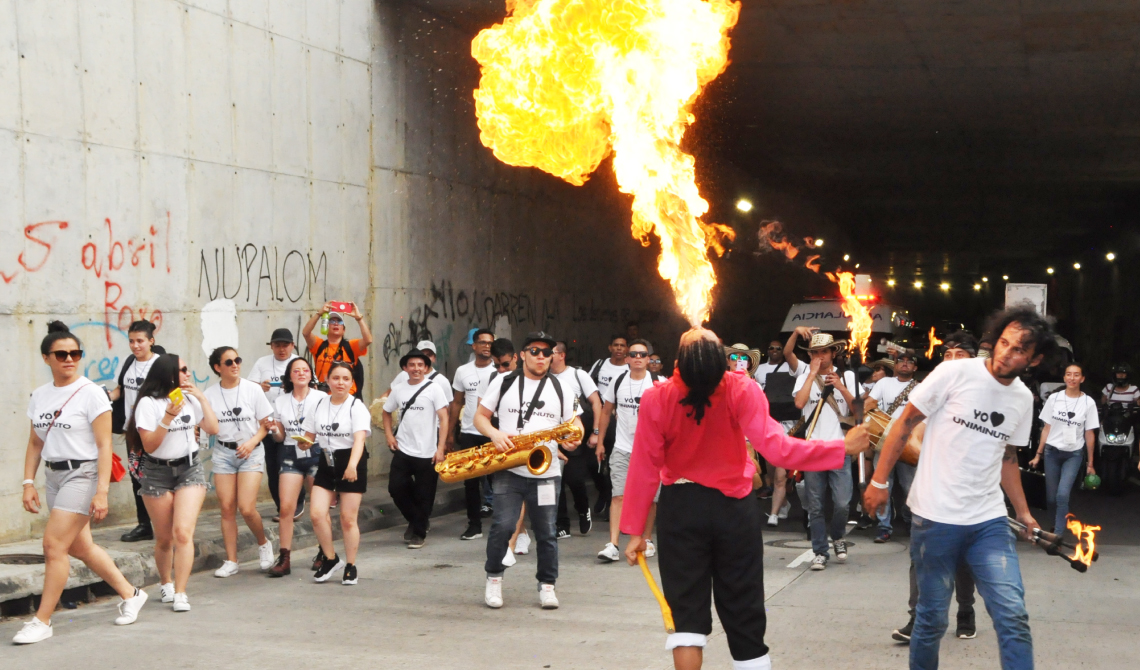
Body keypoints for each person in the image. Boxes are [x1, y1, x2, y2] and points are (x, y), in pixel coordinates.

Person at [620, 328, 868, 670]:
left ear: (679, 360)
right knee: (744, 612)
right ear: (719, 358)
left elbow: (643, 468)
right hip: (733, 511)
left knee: (686, 619)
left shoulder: (657, 396)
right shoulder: (742, 388)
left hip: (681, 509)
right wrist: (842, 447)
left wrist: (636, 532)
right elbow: (777, 448)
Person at [865, 305, 1054, 670]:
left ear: (1034, 359)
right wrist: (878, 481)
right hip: (934, 520)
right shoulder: (953, 372)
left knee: (1013, 616)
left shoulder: (1021, 399)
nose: (1006, 353)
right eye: (1004, 342)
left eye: (1019, 350)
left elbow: (1008, 458)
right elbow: (903, 425)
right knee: (932, 620)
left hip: (989, 522)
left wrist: (1024, 512)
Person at [14, 322, 151, 644]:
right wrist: (27, 482)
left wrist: (102, 492)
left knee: (53, 545)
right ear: (47, 358)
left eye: (75, 353)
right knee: (80, 546)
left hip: (84, 474)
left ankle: (42, 620)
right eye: (61, 354)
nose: (69, 359)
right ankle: (131, 594)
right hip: (54, 474)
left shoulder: (91, 394)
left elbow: (105, 447)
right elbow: (35, 444)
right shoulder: (41, 396)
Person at [475, 332, 581, 610]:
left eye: (547, 352)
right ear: (522, 355)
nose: (541, 356)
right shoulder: (504, 381)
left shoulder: (562, 388)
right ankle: (494, 579)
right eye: (535, 351)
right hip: (510, 469)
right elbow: (480, 417)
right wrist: (495, 435)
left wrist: (574, 438)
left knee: (546, 531)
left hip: (546, 472)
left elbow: (575, 424)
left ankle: (547, 586)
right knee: (503, 527)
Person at [890, 332, 980, 643]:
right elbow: (908, 431)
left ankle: (965, 609)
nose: (952, 361)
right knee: (921, 556)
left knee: (962, 560)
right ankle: (917, 617)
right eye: (948, 355)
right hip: (929, 491)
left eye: (960, 355)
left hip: (968, 494)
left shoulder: (987, 396)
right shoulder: (929, 391)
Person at [129, 352, 220, 613]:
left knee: (183, 533)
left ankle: (181, 592)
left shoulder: (190, 398)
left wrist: (201, 397)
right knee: (164, 538)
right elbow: (149, 444)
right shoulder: (148, 403)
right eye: (182, 370)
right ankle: (165, 582)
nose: (188, 374)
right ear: (168, 373)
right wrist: (168, 416)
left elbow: (213, 429)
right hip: (157, 472)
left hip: (189, 468)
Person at [203, 347, 276, 578]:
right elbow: (206, 425)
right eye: (229, 362)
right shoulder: (210, 394)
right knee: (226, 508)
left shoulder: (252, 389)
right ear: (217, 368)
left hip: (251, 451)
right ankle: (231, 560)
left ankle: (264, 543)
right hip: (224, 453)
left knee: (246, 507)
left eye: (238, 360)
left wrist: (252, 442)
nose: (235, 365)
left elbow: (267, 423)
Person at [792, 332, 859, 571]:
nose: (819, 356)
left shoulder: (848, 376)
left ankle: (838, 536)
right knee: (816, 505)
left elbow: (857, 411)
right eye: (815, 352)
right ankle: (820, 551)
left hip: (840, 448)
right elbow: (799, 404)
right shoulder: (803, 377)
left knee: (842, 503)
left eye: (824, 352)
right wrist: (811, 373)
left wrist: (840, 386)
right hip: (813, 449)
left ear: (833, 353)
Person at [303, 361, 372, 585]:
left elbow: (360, 439)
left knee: (347, 519)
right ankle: (331, 558)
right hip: (326, 460)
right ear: (328, 380)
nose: (340, 383)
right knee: (316, 514)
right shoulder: (320, 404)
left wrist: (352, 465)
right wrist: (305, 443)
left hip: (350, 460)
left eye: (345, 379)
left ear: (352, 383)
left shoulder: (356, 406)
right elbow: (310, 434)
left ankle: (351, 565)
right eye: (336, 378)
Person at [596, 338, 662, 562]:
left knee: (651, 498)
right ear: (626, 359)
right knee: (618, 496)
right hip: (622, 447)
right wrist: (600, 441)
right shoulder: (618, 381)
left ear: (648, 359)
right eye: (633, 355)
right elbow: (606, 412)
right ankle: (613, 544)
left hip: (649, 451)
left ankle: (647, 539)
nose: (638, 358)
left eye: (642, 355)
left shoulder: (658, 383)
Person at [265, 358, 327, 577]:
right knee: (286, 508)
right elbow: (281, 436)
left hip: (316, 452)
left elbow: (326, 428)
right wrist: (273, 429)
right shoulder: (281, 401)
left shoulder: (322, 398)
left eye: (305, 370)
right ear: (289, 376)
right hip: (291, 454)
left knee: (319, 509)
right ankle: (285, 558)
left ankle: (324, 553)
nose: (301, 373)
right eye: (296, 370)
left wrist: (311, 439)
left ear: (310, 375)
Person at [383, 350, 450, 548]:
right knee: (395, 488)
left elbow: (444, 418)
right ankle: (416, 520)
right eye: (412, 365)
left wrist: (440, 448)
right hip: (403, 448)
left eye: (420, 365)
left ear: (426, 368)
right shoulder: (399, 389)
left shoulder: (434, 389)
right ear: (405, 368)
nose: (416, 369)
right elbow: (386, 411)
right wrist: (389, 435)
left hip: (428, 451)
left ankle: (418, 533)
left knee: (424, 494)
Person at [109, 319, 162, 543]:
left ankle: (165, 524)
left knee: (161, 477)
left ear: (151, 341)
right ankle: (144, 525)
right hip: (133, 432)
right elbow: (119, 389)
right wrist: (102, 399)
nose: (135, 346)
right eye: (131, 341)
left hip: (157, 431)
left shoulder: (162, 364)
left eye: (140, 341)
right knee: (137, 477)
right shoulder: (128, 361)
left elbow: (175, 394)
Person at [1030, 363, 1098, 534]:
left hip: (1073, 454)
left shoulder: (1088, 402)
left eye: (1076, 375)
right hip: (1052, 452)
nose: (1072, 378)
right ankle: (1056, 523)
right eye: (1069, 374)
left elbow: (1089, 433)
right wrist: (1038, 454)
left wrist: (1090, 463)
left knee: (1062, 495)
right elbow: (1046, 428)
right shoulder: (1054, 398)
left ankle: (1058, 534)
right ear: (1064, 377)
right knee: (1051, 498)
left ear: (1082, 379)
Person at [755, 332, 811, 526]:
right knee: (772, 472)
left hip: (796, 426)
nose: (775, 351)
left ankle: (777, 514)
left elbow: (789, 354)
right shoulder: (760, 369)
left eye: (778, 348)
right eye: (771, 348)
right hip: (772, 422)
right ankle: (784, 504)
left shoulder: (799, 369)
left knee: (792, 475)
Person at [865, 349, 920, 543]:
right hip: (885, 442)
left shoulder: (921, 388)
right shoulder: (884, 383)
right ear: (895, 365)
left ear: (915, 366)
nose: (905, 364)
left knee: (910, 487)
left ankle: (911, 520)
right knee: (882, 484)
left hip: (909, 444)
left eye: (909, 361)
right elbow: (869, 404)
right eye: (901, 361)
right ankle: (884, 527)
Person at [247, 328, 301, 522]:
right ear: (271, 346)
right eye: (277, 345)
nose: (281, 349)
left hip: (293, 420)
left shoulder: (297, 362)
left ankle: (296, 503)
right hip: (268, 421)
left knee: (294, 463)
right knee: (272, 465)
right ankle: (282, 507)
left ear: (292, 345)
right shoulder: (262, 363)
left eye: (285, 345)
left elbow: (308, 385)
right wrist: (259, 387)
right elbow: (248, 387)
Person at [448, 328, 497, 540]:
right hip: (468, 431)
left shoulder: (500, 371)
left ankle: (506, 525)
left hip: (494, 433)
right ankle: (474, 525)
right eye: (482, 342)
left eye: (490, 343)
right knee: (470, 482)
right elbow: (457, 402)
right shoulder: (463, 371)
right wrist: (450, 433)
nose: (487, 346)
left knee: (498, 479)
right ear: (474, 346)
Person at [551, 340, 600, 539]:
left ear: (562, 355)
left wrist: (596, 432)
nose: (545, 356)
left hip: (574, 437)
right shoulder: (543, 378)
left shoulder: (578, 375)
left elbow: (596, 402)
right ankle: (562, 524)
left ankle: (582, 509)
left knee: (574, 479)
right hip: (552, 438)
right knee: (557, 482)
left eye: (550, 352)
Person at [587, 335, 629, 520]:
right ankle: (604, 491)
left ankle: (613, 500)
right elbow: (587, 385)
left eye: (622, 345)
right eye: (616, 345)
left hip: (620, 421)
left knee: (615, 462)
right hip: (600, 417)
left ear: (626, 349)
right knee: (592, 462)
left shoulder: (630, 368)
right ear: (610, 347)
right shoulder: (600, 364)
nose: (619, 348)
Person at [302, 301, 373, 397]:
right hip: (323, 395)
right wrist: (319, 314)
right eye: (332, 321)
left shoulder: (350, 346)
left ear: (344, 330)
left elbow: (368, 340)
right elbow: (306, 333)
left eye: (339, 322)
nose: (336, 324)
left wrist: (359, 318)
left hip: (347, 396)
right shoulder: (319, 345)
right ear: (326, 327)